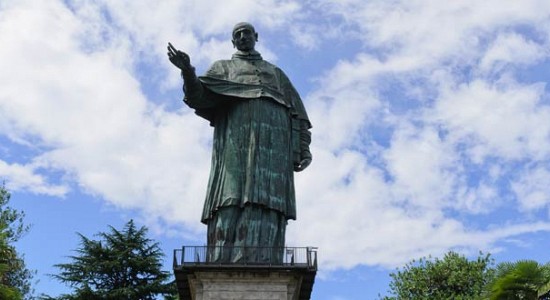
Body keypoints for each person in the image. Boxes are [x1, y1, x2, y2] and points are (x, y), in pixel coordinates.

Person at [167, 22, 312, 263]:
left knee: (268, 198)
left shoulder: (276, 73)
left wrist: (302, 147)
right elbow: (198, 97)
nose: (243, 37)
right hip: (236, 139)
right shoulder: (223, 68)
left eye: (247, 33)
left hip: (275, 145)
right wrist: (188, 71)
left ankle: (266, 255)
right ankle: (224, 255)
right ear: (233, 42)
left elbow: (298, 114)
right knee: (231, 193)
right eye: (238, 35)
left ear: (256, 37)